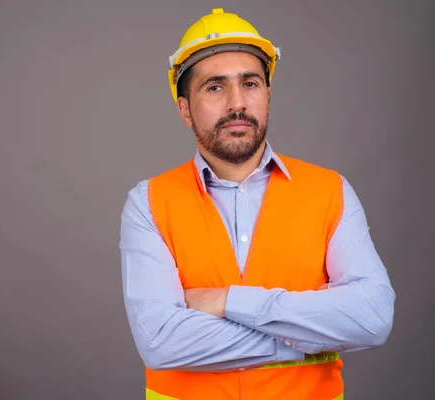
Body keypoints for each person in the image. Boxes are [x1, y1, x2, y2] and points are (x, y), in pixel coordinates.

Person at [119, 8, 395, 400]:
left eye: (250, 83)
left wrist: (227, 301)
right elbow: (161, 342)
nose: (237, 103)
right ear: (184, 109)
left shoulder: (330, 190)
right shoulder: (148, 202)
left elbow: (372, 319)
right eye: (214, 87)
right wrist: (306, 339)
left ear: (267, 95)